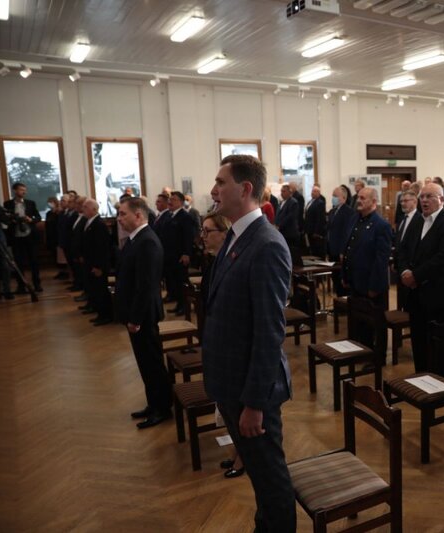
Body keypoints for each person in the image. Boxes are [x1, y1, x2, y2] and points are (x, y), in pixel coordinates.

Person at [203, 154, 296, 532]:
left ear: (244, 189)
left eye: (220, 182)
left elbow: (269, 331)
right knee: (259, 474)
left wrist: (255, 403)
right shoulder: (237, 237)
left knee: (270, 478)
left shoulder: (267, 244)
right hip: (232, 381)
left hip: (251, 391)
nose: (213, 189)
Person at [114, 197, 172, 429]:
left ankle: (162, 408)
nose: (119, 218)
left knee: (152, 362)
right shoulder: (136, 239)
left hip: (144, 315)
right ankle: (153, 403)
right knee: (145, 362)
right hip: (137, 313)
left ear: (138, 215)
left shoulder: (147, 241)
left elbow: (146, 285)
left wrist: (135, 318)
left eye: (123, 214)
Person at [398, 182, 444, 379]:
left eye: (429, 197)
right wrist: (405, 272)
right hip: (416, 292)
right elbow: (404, 249)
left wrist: (415, 276)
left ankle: (440, 382)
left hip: (439, 292)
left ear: (441, 199)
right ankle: (421, 376)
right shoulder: (417, 221)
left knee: (439, 341)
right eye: (422, 196)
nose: (424, 200)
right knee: (418, 338)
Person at [199, 212, 245, 480]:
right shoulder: (214, 261)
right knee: (226, 407)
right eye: (202, 232)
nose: (203, 237)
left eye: (208, 232)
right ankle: (239, 450)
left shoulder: (231, 260)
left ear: (224, 232)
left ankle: (243, 456)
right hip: (216, 342)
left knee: (236, 407)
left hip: (231, 348)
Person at [341, 187, 392, 346]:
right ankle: (363, 350)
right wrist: (345, 275)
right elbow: (348, 249)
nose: (359, 201)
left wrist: (374, 286)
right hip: (356, 280)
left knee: (375, 322)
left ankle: (378, 357)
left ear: (374, 202)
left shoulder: (381, 225)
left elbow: (381, 259)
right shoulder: (355, 219)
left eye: (363, 198)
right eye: (359, 198)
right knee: (360, 320)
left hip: (372, 283)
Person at [159, 191, 196, 315]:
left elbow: (188, 237)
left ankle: (184, 306)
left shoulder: (185, 216)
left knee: (181, 282)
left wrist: (186, 253)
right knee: (174, 281)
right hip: (170, 255)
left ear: (180, 202)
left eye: (173, 199)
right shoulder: (170, 216)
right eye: (170, 199)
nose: (170, 201)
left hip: (180, 255)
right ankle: (179, 304)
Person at [4, 182, 42, 293]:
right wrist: (12, 219)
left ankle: (37, 284)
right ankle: (21, 286)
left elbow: (38, 217)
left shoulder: (31, 203)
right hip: (16, 237)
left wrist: (31, 220)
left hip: (30, 236)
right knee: (18, 262)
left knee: (34, 261)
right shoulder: (8, 204)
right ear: (15, 190)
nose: (24, 192)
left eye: (25, 189)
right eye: (21, 189)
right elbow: (6, 219)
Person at [81, 198, 112, 325]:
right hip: (91, 263)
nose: (83, 210)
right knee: (95, 289)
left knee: (101, 291)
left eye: (85, 207)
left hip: (98, 265)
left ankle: (105, 315)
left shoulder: (99, 224)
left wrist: (99, 266)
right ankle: (99, 312)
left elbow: (101, 248)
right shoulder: (90, 222)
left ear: (94, 209)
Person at [326, 185, 356, 297]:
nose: (333, 198)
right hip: (332, 250)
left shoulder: (349, 212)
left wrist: (343, 251)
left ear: (343, 197)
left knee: (341, 278)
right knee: (335, 277)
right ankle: (339, 301)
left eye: (335, 196)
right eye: (332, 195)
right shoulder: (332, 211)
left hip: (340, 251)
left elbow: (346, 233)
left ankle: (343, 304)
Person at [274, 183, 301, 258]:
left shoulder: (293, 202)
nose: (282, 193)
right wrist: (275, 224)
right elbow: (278, 215)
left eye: (284, 191)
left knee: (291, 254)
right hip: (282, 232)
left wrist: (279, 225)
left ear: (290, 192)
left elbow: (290, 217)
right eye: (281, 191)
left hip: (290, 233)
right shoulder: (281, 202)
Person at [303, 185, 326, 257]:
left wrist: (316, 232)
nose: (312, 193)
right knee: (311, 247)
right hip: (308, 229)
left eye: (315, 191)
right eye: (312, 191)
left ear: (319, 193)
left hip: (314, 230)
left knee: (316, 248)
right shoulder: (310, 201)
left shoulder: (320, 203)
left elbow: (320, 218)